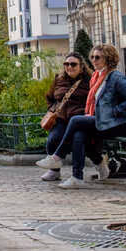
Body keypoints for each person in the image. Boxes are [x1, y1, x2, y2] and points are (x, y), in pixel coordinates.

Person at [41, 43, 126, 189]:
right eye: (92, 57)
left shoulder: (116, 77)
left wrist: (115, 111)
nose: (93, 60)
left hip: (118, 124)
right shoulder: (97, 77)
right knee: (79, 135)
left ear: (108, 58)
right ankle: (77, 177)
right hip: (102, 121)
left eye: (97, 57)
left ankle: (56, 157)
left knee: (76, 120)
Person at [36, 53, 91, 182]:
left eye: (73, 64)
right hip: (61, 118)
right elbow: (50, 97)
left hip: (79, 120)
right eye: (66, 64)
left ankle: (77, 176)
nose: (69, 67)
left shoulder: (89, 81)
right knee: (52, 140)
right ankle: (54, 171)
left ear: (81, 66)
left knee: (78, 141)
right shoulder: (59, 79)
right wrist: (52, 110)